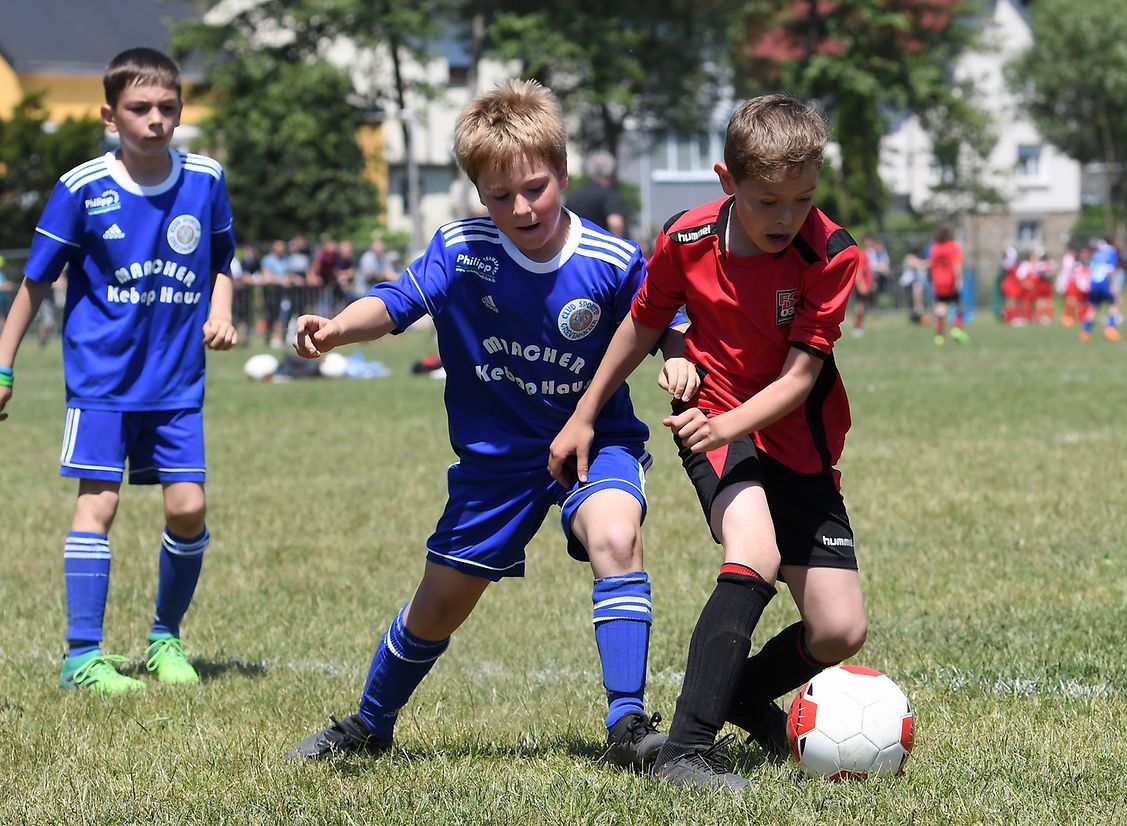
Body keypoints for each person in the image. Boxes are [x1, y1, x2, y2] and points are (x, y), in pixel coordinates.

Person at [286, 80, 692, 772]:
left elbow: (661, 319)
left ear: (561, 174)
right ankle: (369, 722)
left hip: (595, 442)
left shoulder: (612, 260)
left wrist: (679, 360)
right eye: (500, 196)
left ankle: (628, 723)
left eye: (535, 187)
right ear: (478, 193)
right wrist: (334, 331)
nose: (521, 207)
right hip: (496, 462)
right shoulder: (460, 248)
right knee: (439, 605)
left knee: (617, 536)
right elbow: (394, 303)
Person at [550, 94, 868, 791]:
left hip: (798, 444)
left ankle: (741, 695)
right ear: (727, 181)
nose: (787, 217)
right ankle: (686, 752)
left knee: (840, 629)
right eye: (768, 201)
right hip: (715, 422)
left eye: (804, 198)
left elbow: (801, 376)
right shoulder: (687, 239)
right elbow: (641, 323)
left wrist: (733, 422)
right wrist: (585, 410)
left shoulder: (832, 253)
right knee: (752, 554)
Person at [0, 47, 237, 693]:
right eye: (139, 108)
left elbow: (222, 258)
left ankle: (165, 640)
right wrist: (3, 366)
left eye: (167, 108)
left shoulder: (206, 180)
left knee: (188, 508)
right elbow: (35, 282)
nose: (155, 120)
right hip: (102, 383)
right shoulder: (82, 188)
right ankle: (82, 658)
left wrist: (221, 311)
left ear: (181, 112)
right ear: (110, 115)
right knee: (96, 507)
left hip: (177, 384)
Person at [566, 150, 628, 237]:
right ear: (611, 171)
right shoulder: (609, 195)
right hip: (602, 247)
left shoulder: (574, 196)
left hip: (579, 246)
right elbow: (615, 223)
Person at [929, 225, 969, 344]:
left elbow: (932, 264)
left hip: (938, 281)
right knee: (958, 305)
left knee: (940, 307)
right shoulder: (953, 246)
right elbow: (956, 264)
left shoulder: (935, 248)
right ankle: (956, 329)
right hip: (950, 280)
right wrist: (959, 279)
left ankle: (939, 336)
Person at [1081, 235, 1121, 341]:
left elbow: (1091, 268)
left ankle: (1085, 332)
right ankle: (1110, 329)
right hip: (1104, 282)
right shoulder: (1112, 251)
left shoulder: (1097, 252)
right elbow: (1110, 270)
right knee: (1114, 304)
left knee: (1093, 307)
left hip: (1094, 282)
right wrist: (1113, 285)